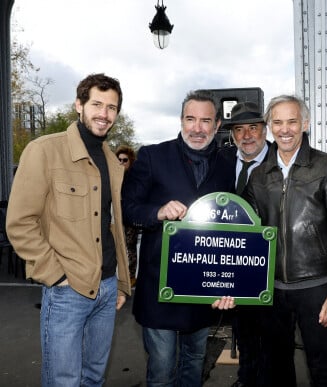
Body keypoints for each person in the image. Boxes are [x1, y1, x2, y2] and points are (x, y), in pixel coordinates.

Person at [6, 73, 131, 386]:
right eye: (97, 104)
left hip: (106, 289)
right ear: (79, 105)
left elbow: (113, 224)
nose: (104, 114)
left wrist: (121, 283)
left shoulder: (113, 162)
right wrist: (55, 276)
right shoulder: (44, 151)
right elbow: (20, 222)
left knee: (93, 378)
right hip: (67, 289)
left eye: (112, 107)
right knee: (63, 381)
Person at [121, 89, 236, 387]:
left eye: (205, 121)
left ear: (217, 125)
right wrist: (158, 211)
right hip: (160, 286)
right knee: (161, 370)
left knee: (194, 365)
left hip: (202, 288)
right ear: (181, 120)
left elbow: (235, 226)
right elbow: (128, 207)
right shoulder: (152, 156)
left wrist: (231, 281)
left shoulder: (227, 166)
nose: (197, 128)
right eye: (191, 119)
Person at [244, 95, 327, 387]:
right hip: (272, 291)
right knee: (276, 369)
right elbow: (245, 235)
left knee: (322, 369)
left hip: (316, 288)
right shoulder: (257, 176)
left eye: (292, 121)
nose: (285, 129)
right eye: (277, 122)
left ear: (305, 124)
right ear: (269, 127)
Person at [222, 101, 271, 387]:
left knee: (275, 343)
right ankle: (245, 379)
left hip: (273, 271)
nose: (247, 135)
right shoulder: (222, 161)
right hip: (234, 269)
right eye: (239, 129)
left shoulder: (281, 159)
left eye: (253, 127)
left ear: (265, 130)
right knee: (244, 334)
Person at [115, 145, 139, 286]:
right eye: (119, 160)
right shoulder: (113, 175)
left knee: (129, 247)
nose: (122, 162)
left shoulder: (134, 178)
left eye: (125, 160)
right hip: (114, 216)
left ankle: (130, 277)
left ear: (130, 161)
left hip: (130, 216)